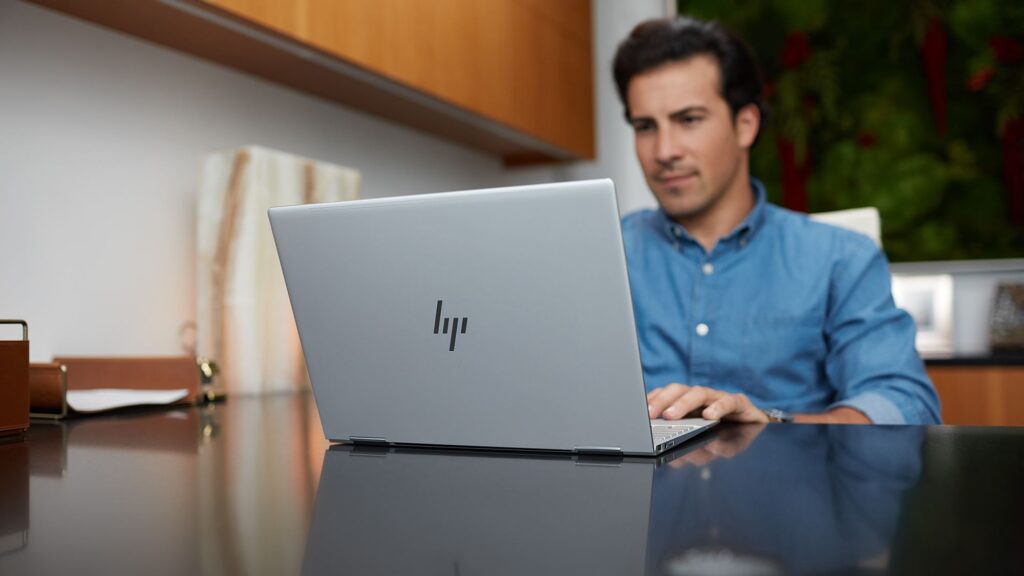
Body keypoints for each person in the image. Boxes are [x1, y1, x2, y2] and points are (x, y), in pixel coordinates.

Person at [613, 16, 941, 424]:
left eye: (689, 120)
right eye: (645, 126)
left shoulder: (842, 257)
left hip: (788, 483)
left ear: (745, 125)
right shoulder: (603, 254)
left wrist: (773, 428)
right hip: (637, 488)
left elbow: (905, 404)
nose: (664, 150)